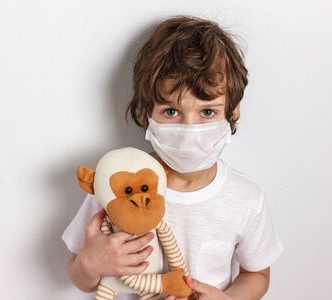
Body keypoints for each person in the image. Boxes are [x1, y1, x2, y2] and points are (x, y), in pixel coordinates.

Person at [62, 15, 284, 300]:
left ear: (233, 111)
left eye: (207, 112)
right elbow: (80, 277)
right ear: (146, 113)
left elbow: (257, 274)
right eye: (170, 112)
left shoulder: (246, 197)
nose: (190, 130)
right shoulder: (116, 187)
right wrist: (89, 263)